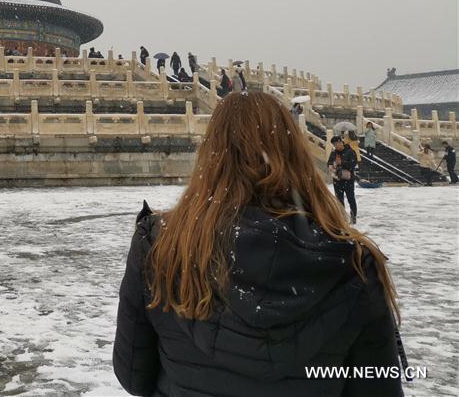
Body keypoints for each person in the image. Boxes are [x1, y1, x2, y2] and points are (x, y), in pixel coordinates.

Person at [113, 93, 402, 397]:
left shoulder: (162, 245)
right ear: (295, 154)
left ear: (210, 156)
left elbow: (134, 376)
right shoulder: (353, 263)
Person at [328, 136, 359, 223]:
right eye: (334, 145)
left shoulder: (350, 151)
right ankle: (342, 218)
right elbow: (329, 163)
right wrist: (333, 165)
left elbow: (353, 164)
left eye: (336, 144)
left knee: (350, 198)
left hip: (348, 180)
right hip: (337, 180)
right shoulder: (334, 153)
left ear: (340, 142)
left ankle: (353, 217)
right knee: (339, 200)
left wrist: (342, 163)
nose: (335, 146)